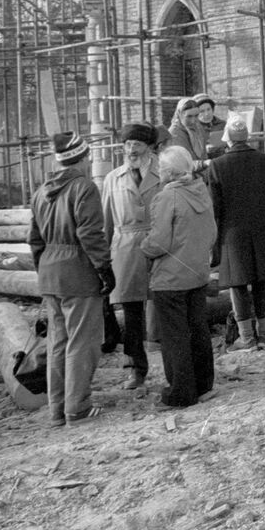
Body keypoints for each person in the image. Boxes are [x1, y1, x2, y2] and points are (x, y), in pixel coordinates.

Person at [28, 131, 114, 426]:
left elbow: (34, 240)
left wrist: (45, 271)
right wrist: (104, 268)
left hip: (50, 274)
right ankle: (77, 407)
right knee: (82, 342)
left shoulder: (41, 191)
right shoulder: (84, 187)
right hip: (78, 271)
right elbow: (90, 233)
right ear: (84, 157)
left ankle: (57, 409)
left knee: (57, 342)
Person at [141, 145, 217, 408]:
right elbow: (212, 234)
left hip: (170, 278)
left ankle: (181, 392)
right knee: (198, 330)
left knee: (175, 337)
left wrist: (143, 245)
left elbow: (159, 242)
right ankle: (204, 384)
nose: (158, 172)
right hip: (197, 273)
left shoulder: (166, 198)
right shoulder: (201, 191)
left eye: (161, 168)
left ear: (170, 172)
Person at [208, 115, 265, 351]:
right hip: (264, 230)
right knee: (261, 281)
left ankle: (247, 338)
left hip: (232, 234)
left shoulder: (217, 166)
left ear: (228, 139)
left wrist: (213, 240)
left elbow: (215, 208)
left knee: (238, 284)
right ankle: (264, 335)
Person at [100, 120, 161, 391]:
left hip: (160, 244)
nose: (131, 150)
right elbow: (105, 223)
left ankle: (175, 361)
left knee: (165, 304)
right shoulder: (113, 178)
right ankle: (136, 368)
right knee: (132, 312)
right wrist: (102, 258)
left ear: (149, 147)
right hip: (125, 248)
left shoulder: (164, 172)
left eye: (137, 144)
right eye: (127, 145)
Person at [193, 93, 227, 160]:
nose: (206, 114)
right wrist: (204, 150)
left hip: (221, 161)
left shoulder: (222, 124)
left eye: (208, 109)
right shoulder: (192, 128)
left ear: (212, 109)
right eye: (202, 111)